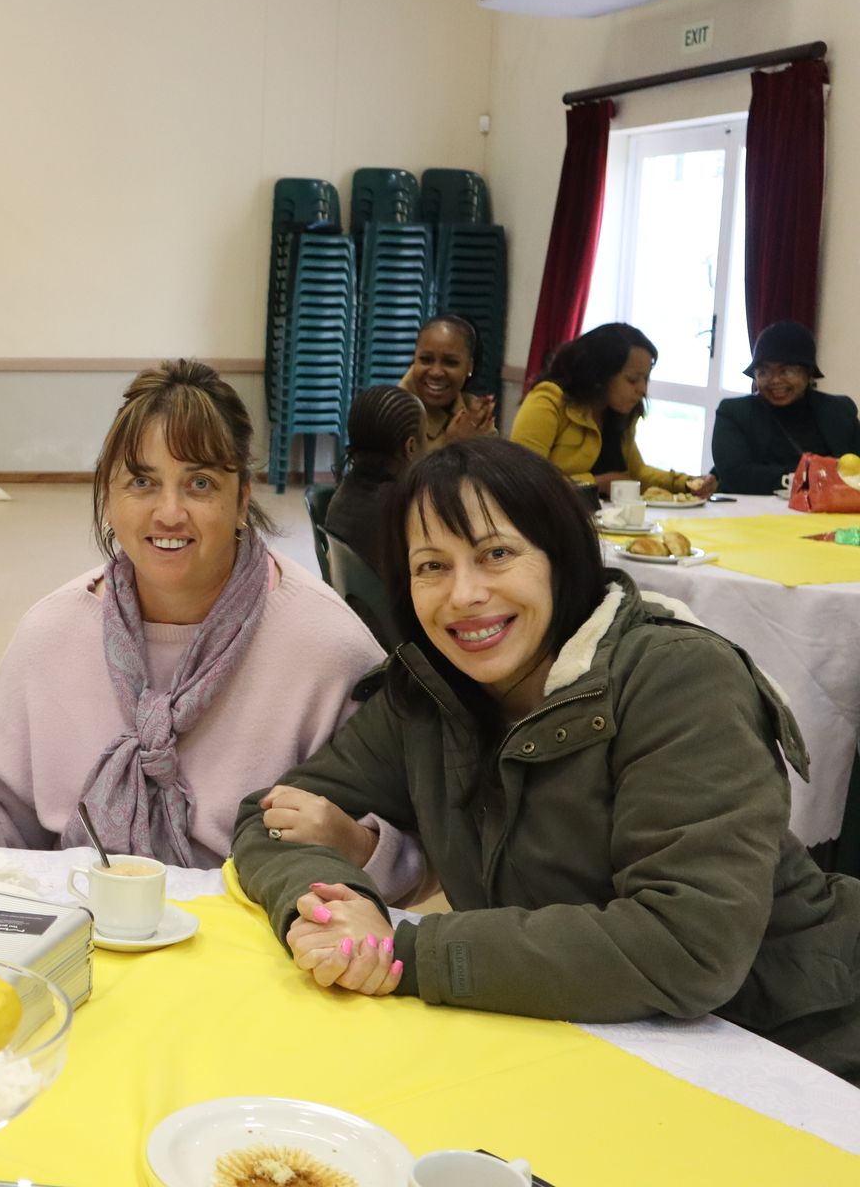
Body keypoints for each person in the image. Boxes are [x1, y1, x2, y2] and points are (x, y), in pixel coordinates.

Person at [231, 437, 860, 1083]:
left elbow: (688, 944)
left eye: (496, 555)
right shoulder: (428, 696)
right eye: (432, 567)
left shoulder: (679, 680)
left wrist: (404, 950)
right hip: (600, 1051)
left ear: (560, 557)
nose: (464, 595)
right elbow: (269, 819)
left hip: (798, 1043)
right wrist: (335, 915)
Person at [0, 361, 424, 898]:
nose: (169, 512)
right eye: (142, 482)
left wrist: (359, 848)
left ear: (242, 498)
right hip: (81, 933)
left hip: (260, 946)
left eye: (200, 483)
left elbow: (411, 853)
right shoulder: (50, 635)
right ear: (108, 497)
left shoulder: (328, 648)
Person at [510, 322, 717, 497]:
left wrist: (686, 483)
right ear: (600, 374)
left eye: (646, 379)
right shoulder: (548, 401)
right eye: (632, 379)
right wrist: (596, 482)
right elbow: (523, 479)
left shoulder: (618, 413)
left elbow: (637, 473)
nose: (643, 390)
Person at [711, 320, 860, 494]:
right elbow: (736, 475)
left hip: (828, 516)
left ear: (809, 374)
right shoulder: (734, 413)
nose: (775, 380)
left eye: (787, 371)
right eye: (764, 372)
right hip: (751, 516)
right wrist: (810, 478)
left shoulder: (840, 410)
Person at [326, 385, 424, 573]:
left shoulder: (347, 489)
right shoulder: (404, 508)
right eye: (426, 437)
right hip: (392, 600)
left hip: (355, 597)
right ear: (410, 447)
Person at [400, 314, 495, 450]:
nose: (436, 372)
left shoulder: (475, 417)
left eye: (450, 362)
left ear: (469, 367)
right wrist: (456, 447)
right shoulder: (390, 417)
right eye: (426, 359)